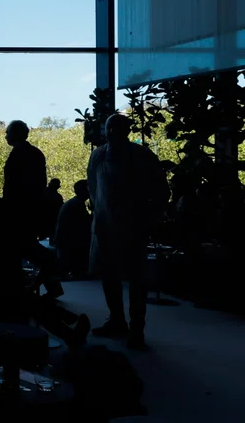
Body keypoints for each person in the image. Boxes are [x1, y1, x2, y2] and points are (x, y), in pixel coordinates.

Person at [88, 114, 169, 350]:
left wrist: (150, 216)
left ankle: (134, 326)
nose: (110, 132)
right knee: (112, 276)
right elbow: (93, 188)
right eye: (108, 128)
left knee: (134, 278)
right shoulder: (99, 155)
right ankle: (119, 321)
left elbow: (161, 191)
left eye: (114, 128)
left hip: (132, 226)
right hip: (107, 225)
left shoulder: (141, 156)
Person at [3, 120, 63, 299]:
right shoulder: (35, 154)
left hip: (19, 213)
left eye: (7, 132)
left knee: (19, 250)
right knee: (29, 248)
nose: (5, 135)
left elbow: (13, 187)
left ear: (15, 134)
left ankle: (24, 290)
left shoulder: (18, 155)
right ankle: (45, 285)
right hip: (30, 211)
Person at [54, 180, 92, 279]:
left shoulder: (73, 203)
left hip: (64, 241)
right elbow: (85, 224)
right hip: (69, 244)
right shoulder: (78, 205)